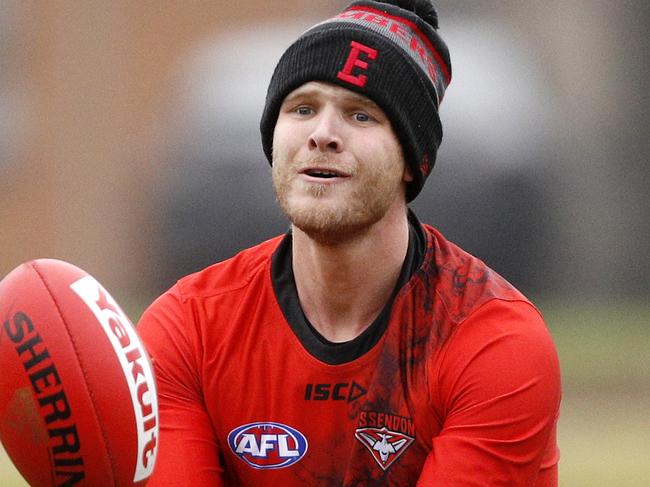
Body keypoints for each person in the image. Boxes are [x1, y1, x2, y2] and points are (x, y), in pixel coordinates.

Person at [137, 0, 561, 485]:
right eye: (302, 108)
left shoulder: (492, 343)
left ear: (411, 160)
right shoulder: (189, 328)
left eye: (361, 115)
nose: (323, 134)